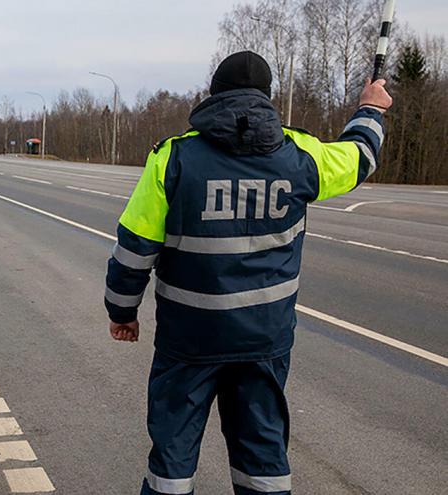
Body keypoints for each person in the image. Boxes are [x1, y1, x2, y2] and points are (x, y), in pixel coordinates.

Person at [104, 51, 392, 495]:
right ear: (267, 97)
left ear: (214, 94)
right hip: (264, 340)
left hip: (188, 343)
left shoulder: (173, 160)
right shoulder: (299, 157)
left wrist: (122, 311)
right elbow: (359, 157)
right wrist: (370, 108)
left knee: (172, 459)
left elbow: (134, 249)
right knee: (262, 455)